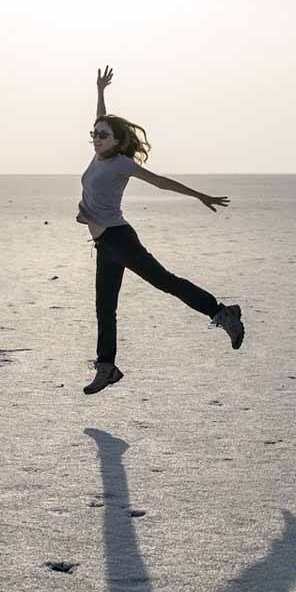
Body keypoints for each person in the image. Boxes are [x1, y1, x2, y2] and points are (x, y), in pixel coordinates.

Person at [78, 65, 244, 395]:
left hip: (119, 239)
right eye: (94, 134)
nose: (96, 138)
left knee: (165, 282)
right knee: (104, 309)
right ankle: (106, 367)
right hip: (104, 245)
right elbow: (103, 118)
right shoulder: (99, 156)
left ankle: (222, 313)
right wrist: (100, 92)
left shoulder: (121, 163)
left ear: (117, 141)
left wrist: (199, 195)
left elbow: (160, 182)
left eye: (102, 135)